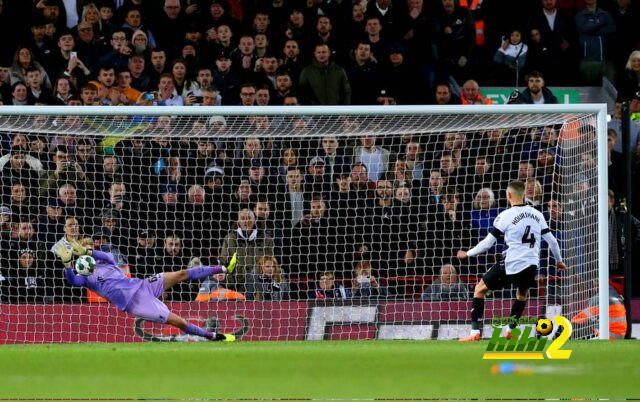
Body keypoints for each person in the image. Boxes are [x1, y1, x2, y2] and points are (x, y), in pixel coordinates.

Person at [53, 238, 238, 342]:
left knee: (180, 273)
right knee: (178, 321)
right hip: (136, 303)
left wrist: (87, 252)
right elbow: (72, 280)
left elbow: (103, 254)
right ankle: (214, 336)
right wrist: (67, 264)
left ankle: (223, 268)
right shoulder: (86, 279)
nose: (86, 249)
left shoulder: (106, 259)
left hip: (142, 285)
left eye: (88, 246)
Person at [457, 181, 565, 341]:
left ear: (509, 195)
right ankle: (510, 329)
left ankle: (474, 333)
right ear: (524, 195)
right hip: (531, 264)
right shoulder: (538, 215)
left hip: (512, 262)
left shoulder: (506, 215)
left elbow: (488, 243)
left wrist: (467, 253)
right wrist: (559, 261)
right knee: (522, 295)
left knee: (479, 290)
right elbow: (553, 242)